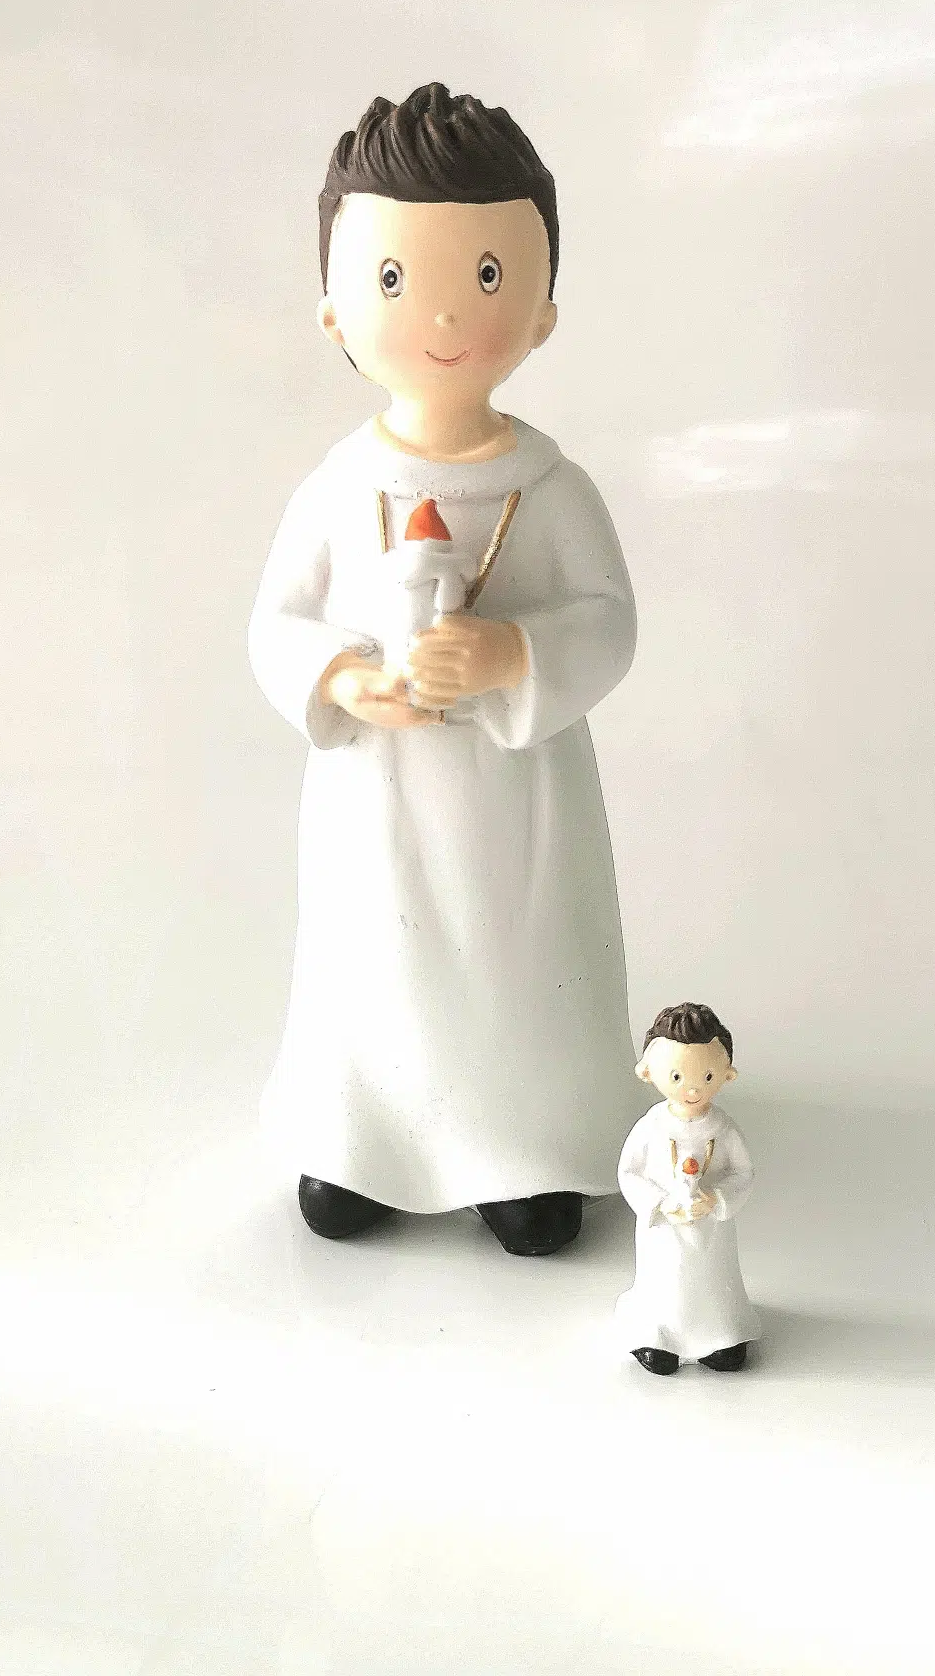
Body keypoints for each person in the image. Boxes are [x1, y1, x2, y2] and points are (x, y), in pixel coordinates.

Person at [248, 83, 640, 1256]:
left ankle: (522, 1150)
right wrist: (339, 679)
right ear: (334, 311)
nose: (443, 314)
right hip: (375, 796)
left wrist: (514, 650)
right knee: (378, 957)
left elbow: (609, 623)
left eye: (486, 274)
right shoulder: (337, 490)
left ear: (543, 309)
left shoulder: (552, 492)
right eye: (391, 277)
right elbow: (276, 622)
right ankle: (366, 1140)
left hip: (517, 807)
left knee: (515, 965)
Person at [616, 1002, 761, 1373]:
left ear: (726, 1075)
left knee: (711, 1280)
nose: (693, 1088)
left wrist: (717, 1199)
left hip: (710, 1228)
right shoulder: (651, 1128)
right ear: (648, 1071)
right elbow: (629, 1172)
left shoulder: (723, 1130)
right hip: (664, 1229)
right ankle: (658, 1336)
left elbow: (743, 1172)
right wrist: (659, 1203)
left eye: (707, 1077)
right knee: (667, 1278)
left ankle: (720, 1336)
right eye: (677, 1076)